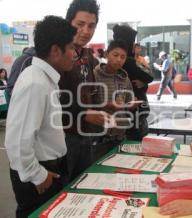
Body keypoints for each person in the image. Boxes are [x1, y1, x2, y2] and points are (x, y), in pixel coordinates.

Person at [5, 15, 76, 218]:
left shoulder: (45, 78)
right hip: (39, 174)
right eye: (71, 48)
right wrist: (37, 175)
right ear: (55, 51)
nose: (74, 54)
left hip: (48, 169)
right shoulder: (34, 82)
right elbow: (17, 140)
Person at [59, 0, 108, 182]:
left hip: (86, 135)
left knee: (83, 184)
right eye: (80, 24)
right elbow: (53, 98)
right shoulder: (56, 55)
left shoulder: (87, 55)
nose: (86, 31)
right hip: (62, 137)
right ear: (69, 23)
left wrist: (107, 106)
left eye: (91, 26)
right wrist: (83, 112)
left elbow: (91, 92)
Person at [92, 39, 137, 150]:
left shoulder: (124, 78)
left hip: (121, 136)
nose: (118, 60)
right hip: (99, 139)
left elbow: (128, 102)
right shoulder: (94, 75)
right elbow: (87, 106)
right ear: (107, 54)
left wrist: (131, 105)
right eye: (115, 55)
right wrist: (108, 105)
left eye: (123, 57)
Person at [113, 24, 154, 140]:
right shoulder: (130, 62)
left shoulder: (112, 62)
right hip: (135, 113)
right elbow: (150, 76)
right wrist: (145, 82)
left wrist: (143, 83)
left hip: (121, 113)